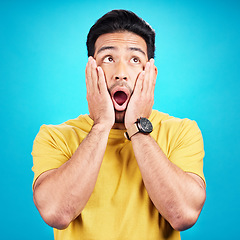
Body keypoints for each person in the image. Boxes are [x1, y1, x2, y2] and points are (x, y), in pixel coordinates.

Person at [32, 9, 206, 240]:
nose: (121, 74)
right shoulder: (55, 136)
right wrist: (102, 124)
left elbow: (183, 215)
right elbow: (56, 213)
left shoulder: (182, 131)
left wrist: (137, 126)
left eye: (135, 59)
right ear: (91, 71)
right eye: (109, 59)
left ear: (150, 73)